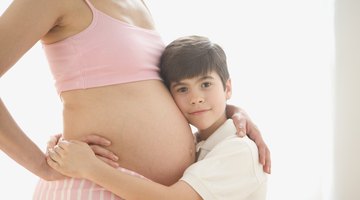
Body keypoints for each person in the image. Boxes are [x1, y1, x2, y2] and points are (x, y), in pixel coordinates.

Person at [0, 0, 270, 199]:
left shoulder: (139, 5)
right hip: (95, 185)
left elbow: (148, 90)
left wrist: (229, 114)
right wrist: (40, 166)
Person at [47, 35, 268, 200]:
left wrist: (90, 168)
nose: (196, 98)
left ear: (227, 88)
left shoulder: (238, 150)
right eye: (182, 89)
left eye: (206, 84)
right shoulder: (201, 143)